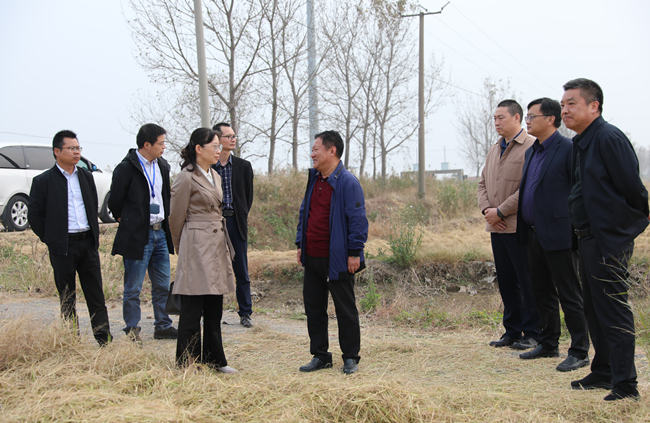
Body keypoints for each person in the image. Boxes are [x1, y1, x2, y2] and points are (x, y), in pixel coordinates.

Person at [562, 78, 648, 401]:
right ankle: (604, 371)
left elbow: (633, 191)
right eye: (563, 105)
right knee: (594, 309)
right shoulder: (581, 142)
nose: (565, 110)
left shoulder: (609, 138)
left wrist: (619, 231)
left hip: (608, 240)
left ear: (594, 106)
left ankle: (626, 385)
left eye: (572, 103)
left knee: (613, 310)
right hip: (587, 239)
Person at [515, 98, 589, 371]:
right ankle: (548, 343)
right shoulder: (531, 152)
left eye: (531, 117)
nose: (527, 121)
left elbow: (578, 191)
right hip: (533, 233)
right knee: (542, 293)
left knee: (569, 294)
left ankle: (579, 350)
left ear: (550, 119)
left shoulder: (569, 149)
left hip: (560, 234)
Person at [28, 130, 112, 346]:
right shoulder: (43, 181)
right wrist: (51, 238)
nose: (77, 152)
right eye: (71, 148)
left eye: (78, 148)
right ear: (57, 151)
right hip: (62, 246)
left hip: (87, 243)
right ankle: (71, 341)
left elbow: (92, 207)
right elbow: (34, 216)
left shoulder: (86, 176)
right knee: (67, 297)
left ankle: (104, 340)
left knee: (96, 295)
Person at [295, 130, 368, 375]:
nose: (312, 154)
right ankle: (321, 355)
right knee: (314, 308)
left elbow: (357, 220)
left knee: (345, 309)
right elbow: (304, 213)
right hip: (312, 255)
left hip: (337, 258)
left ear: (332, 151)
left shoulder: (347, 182)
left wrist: (354, 252)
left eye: (316, 149)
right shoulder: (314, 179)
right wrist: (300, 244)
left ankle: (350, 357)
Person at [169, 127, 237, 373]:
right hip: (196, 243)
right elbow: (175, 217)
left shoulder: (215, 175)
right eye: (214, 146)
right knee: (192, 304)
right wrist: (182, 246)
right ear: (199, 148)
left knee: (214, 304)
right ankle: (186, 361)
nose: (219, 150)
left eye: (220, 146)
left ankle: (214, 359)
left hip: (216, 241)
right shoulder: (186, 177)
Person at [478, 100, 541, 350]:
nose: (496, 122)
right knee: (506, 282)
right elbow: (482, 183)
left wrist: (501, 211)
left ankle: (533, 333)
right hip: (496, 227)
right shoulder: (494, 149)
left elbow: (528, 188)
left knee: (528, 281)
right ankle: (512, 331)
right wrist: (487, 210)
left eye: (501, 117)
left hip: (519, 227)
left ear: (517, 118)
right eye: (494, 118)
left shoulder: (531, 146)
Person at [109, 123, 177, 342]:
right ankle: (132, 329)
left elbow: (165, 196)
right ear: (147, 145)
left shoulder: (163, 166)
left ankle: (163, 325)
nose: (164, 147)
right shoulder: (126, 168)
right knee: (133, 287)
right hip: (138, 235)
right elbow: (115, 201)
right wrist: (128, 220)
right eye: (161, 143)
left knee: (162, 285)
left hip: (160, 233)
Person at [211, 122, 255, 328]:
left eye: (234, 135)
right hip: (213, 223)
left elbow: (248, 197)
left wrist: (241, 214)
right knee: (214, 269)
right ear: (217, 139)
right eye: (228, 136)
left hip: (236, 222)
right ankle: (212, 314)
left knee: (241, 271)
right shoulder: (209, 166)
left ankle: (245, 313)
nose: (233, 139)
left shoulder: (243, 166)